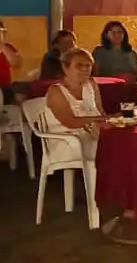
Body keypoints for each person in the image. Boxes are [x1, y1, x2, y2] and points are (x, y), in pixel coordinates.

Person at [43, 48, 107, 185]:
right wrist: (99, 121)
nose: (84, 69)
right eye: (79, 66)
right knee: (115, 148)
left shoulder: (91, 84)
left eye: (88, 66)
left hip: (91, 135)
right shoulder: (56, 91)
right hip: (66, 141)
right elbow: (70, 122)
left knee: (123, 143)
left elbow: (100, 112)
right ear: (65, 68)